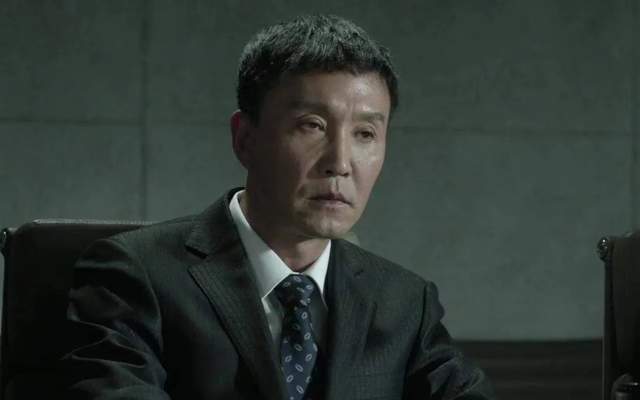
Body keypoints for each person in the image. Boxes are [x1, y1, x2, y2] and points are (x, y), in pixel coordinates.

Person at [62, 14, 494, 400]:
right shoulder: (135, 276)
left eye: (365, 134)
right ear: (245, 139)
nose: (340, 163)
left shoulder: (403, 302)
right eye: (312, 126)